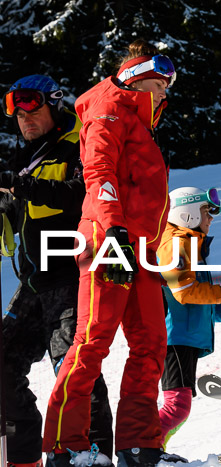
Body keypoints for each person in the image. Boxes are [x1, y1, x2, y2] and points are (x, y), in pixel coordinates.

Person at [41, 39, 184, 467]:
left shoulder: (137, 120)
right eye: (160, 85)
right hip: (110, 239)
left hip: (139, 244)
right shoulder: (108, 108)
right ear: (139, 78)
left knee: (150, 343)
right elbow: (98, 172)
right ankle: (65, 447)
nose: (164, 94)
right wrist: (113, 233)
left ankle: (139, 445)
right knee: (92, 341)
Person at [0, 75, 113, 467]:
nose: (22, 116)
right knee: (2, 360)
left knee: (77, 372)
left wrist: (23, 187)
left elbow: (84, 194)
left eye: (31, 104)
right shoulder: (26, 156)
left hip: (71, 276)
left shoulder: (77, 144)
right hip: (33, 283)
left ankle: (94, 457)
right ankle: (23, 457)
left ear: (54, 102)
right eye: (14, 108)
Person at [157, 186, 221, 448]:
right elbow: (184, 292)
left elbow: (199, 301)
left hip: (185, 337)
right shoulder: (176, 244)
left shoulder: (191, 245)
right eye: (207, 211)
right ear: (188, 213)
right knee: (177, 405)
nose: (211, 217)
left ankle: (150, 448)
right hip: (175, 338)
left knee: (179, 405)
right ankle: (143, 449)